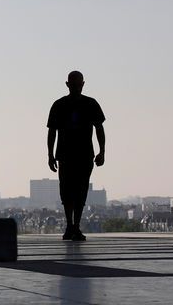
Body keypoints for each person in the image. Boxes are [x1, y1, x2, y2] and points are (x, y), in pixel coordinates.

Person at [47, 70, 106, 241]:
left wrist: (102, 152)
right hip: (67, 155)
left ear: (82, 84)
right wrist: (50, 155)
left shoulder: (88, 104)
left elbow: (99, 129)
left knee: (79, 191)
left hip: (83, 155)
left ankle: (74, 226)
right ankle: (71, 226)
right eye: (74, 84)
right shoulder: (60, 105)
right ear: (68, 85)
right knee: (67, 191)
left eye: (78, 84)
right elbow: (52, 132)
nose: (76, 87)